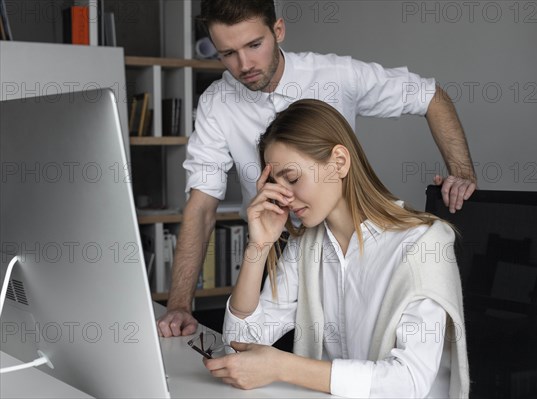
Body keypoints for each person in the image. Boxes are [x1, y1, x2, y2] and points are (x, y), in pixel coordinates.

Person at [157, 0, 476, 338]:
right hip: (275, 245)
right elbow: (202, 205)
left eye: (254, 45)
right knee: (256, 358)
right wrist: (179, 304)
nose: (244, 64)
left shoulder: (336, 75)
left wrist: (463, 173)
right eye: (228, 53)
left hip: (349, 240)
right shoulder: (217, 102)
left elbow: (430, 95)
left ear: (278, 30)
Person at [202, 99, 469, 398]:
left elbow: (408, 382)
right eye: (276, 184)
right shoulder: (306, 245)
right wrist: (259, 246)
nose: (285, 198)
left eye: (292, 178)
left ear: (339, 162)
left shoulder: (423, 244)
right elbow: (238, 343)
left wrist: (283, 367)